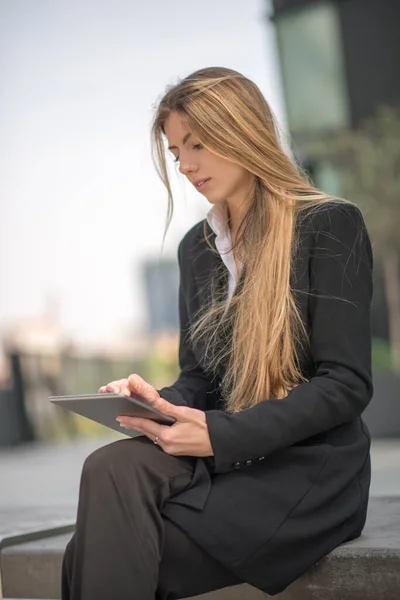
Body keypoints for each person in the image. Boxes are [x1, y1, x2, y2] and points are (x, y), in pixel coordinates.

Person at [61, 67, 373, 599]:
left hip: (306, 471)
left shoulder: (328, 224)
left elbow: (345, 383)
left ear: (242, 130)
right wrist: (157, 402)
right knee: (109, 466)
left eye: (197, 144)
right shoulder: (196, 248)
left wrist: (220, 435)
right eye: (175, 149)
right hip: (227, 460)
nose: (184, 165)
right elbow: (199, 378)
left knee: (96, 555)